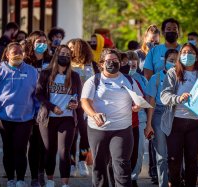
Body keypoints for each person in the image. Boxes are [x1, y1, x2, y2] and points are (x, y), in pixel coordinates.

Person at [81, 48, 142, 187]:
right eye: (108, 61)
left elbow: (138, 99)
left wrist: (137, 106)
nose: (112, 63)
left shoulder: (128, 80)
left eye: (115, 61)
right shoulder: (94, 80)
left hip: (122, 129)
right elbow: (85, 101)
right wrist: (93, 114)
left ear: (120, 63)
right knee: (100, 166)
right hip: (98, 129)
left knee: (122, 165)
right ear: (101, 64)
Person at [160, 43, 198, 187]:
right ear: (180, 56)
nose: (187, 55)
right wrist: (178, 98)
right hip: (175, 123)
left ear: (197, 56)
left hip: (197, 124)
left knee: (192, 161)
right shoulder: (173, 73)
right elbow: (164, 96)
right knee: (174, 160)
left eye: (190, 52)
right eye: (184, 52)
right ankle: (174, 183)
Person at [0, 42, 38, 187]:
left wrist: (38, 113)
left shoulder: (32, 72)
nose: (17, 54)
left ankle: (20, 179)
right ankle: (10, 179)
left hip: (25, 118)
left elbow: (37, 95)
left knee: (21, 149)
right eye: (14, 52)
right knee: (8, 149)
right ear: (7, 55)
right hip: (4, 117)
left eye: (20, 51)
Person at [36, 45, 82, 187]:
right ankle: (50, 180)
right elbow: (39, 94)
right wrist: (52, 107)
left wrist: (75, 103)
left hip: (67, 118)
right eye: (62, 53)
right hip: (48, 118)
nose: (65, 56)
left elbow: (79, 97)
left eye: (68, 54)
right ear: (56, 55)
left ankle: (64, 183)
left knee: (64, 151)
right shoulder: (45, 73)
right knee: (50, 150)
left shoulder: (74, 76)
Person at [145, 49, 178, 187]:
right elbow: (151, 101)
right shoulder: (156, 78)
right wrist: (149, 124)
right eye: (171, 60)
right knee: (161, 155)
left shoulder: (182, 78)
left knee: (176, 153)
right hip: (159, 113)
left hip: (176, 113)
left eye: (176, 60)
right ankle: (162, 183)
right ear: (165, 61)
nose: (174, 62)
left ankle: (176, 180)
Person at [24, 30, 51, 187]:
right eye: (38, 41)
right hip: (29, 108)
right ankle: (35, 177)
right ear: (32, 43)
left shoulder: (51, 61)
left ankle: (42, 173)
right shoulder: (26, 62)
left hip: (46, 107)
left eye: (44, 41)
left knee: (45, 144)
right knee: (34, 144)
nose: (42, 44)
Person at [67, 38, 94, 177]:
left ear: (80, 48)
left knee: (85, 135)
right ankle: (71, 164)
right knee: (72, 135)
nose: (70, 50)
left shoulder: (91, 64)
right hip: (70, 104)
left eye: (72, 47)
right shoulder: (66, 64)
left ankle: (82, 161)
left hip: (87, 106)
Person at [127, 51, 148, 187]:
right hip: (122, 121)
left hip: (139, 120)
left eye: (135, 61)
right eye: (129, 60)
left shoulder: (142, 79)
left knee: (138, 151)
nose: (133, 63)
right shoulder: (118, 78)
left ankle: (133, 177)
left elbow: (147, 98)